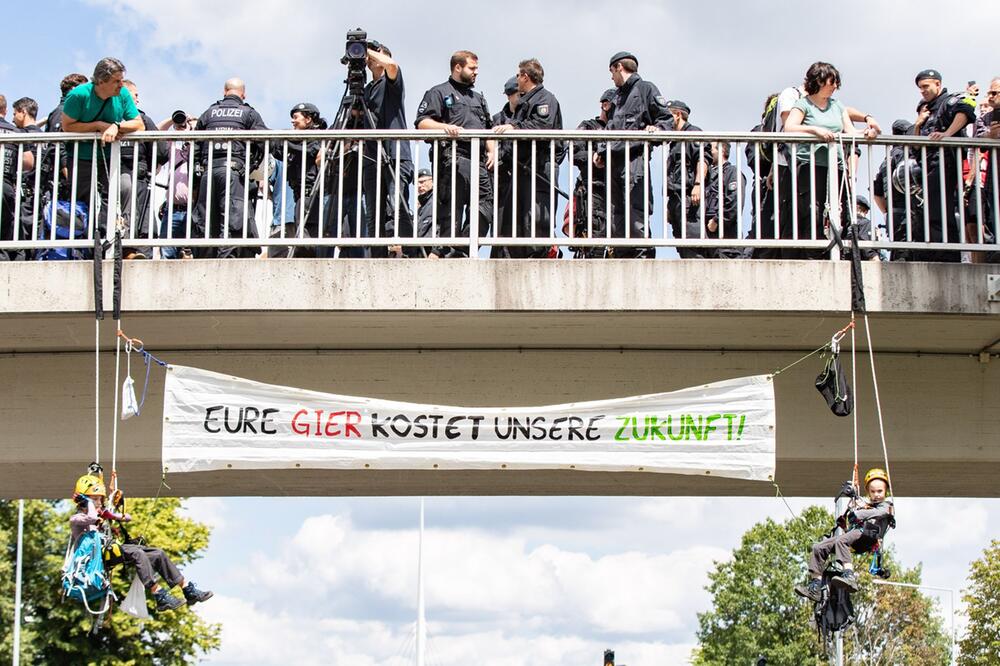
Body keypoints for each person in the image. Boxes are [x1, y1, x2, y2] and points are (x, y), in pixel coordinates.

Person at [70, 473, 212, 612]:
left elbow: (128, 518)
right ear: (84, 500)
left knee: (157, 553)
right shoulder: (77, 519)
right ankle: (159, 594)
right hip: (97, 559)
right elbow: (92, 518)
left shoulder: (99, 513)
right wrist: (89, 503)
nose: (99, 503)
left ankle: (187, 589)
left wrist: (110, 514)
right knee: (137, 553)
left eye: (100, 499)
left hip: (110, 552)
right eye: (95, 499)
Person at [782, 62, 874, 260]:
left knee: (842, 211)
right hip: (810, 165)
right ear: (819, 81)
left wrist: (866, 131)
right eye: (831, 82)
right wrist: (815, 130)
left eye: (836, 83)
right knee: (811, 210)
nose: (834, 87)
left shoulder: (837, 105)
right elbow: (789, 127)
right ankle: (812, 254)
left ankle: (839, 251)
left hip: (836, 166)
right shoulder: (803, 104)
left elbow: (850, 131)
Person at [415, 50, 496, 259]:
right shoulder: (439, 92)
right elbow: (422, 123)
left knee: (486, 205)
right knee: (451, 210)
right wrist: (444, 127)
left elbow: (488, 128)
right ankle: (443, 252)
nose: (476, 72)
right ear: (458, 67)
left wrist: (492, 151)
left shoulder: (478, 98)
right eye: (472, 68)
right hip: (453, 158)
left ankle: (462, 249)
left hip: (478, 160)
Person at [595, 51, 672, 258]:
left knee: (634, 210)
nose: (611, 77)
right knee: (616, 213)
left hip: (634, 160)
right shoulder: (617, 97)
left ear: (619, 67)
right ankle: (621, 256)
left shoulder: (646, 89)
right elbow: (612, 128)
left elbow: (666, 120)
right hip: (614, 162)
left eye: (611, 71)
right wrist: (601, 151)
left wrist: (657, 130)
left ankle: (640, 257)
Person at [61, 57, 145, 236]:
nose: (121, 85)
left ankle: (114, 240)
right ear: (101, 81)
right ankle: (84, 246)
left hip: (109, 157)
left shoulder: (122, 95)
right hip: (81, 158)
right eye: (116, 81)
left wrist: (117, 125)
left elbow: (139, 124)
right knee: (82, 201)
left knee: (121, 190)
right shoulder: (79, 95)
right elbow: (67, 126)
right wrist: (98, 125)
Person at [493, 58, 563, 258]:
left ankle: (538, 256)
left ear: (525, 76)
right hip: (523, 168)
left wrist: (514, 128)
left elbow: (541, 127)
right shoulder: (526, 102)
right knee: (516, 217)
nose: (517, 78)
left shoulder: (545, 99)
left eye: (518, 75)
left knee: (536, 217)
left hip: (539, 168)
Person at [192, 77, 268, 258]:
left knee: (206, 217)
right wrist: (250, 167)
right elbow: (264, 142)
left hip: (207, 172)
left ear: (224, 92)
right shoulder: (249, 113)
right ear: (243, 94)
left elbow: (195, 146)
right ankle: (227, 258)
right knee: (232, 216)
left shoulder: (208, 113)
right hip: (233, 172)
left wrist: (196, 175)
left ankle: (205, 258)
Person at [795, 468, 895, 600]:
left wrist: (858, 513)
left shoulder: (886, 506)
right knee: (818, 547)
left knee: (841, 541)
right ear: (868, 492)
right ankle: (816, 585)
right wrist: (854, 505)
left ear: (886, 491)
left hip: (868, 535)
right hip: (856, 534)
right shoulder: (865, 504)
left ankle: (849, 575)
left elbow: (879, 513)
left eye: (880, 491)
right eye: (873, 492)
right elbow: (855, 516)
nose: (876, 494)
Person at [908, 69, 977, 261]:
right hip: (927, 166)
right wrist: (918, 124)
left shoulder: (949, 101)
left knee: (943, 212)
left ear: (938, 84)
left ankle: (947, 255)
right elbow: (915, 144)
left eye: (926, 86)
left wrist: (947, 134)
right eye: (920, 88)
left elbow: (967, 110)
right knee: (929, 212)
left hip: (945, 164)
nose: (922, 91)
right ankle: (934, 253)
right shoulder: (924, 108)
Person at [363, 42, 414, 257]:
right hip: (371, 155)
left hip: (395, 152)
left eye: (375, 53)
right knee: (373, 212)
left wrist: (366, 49)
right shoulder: (365, 90)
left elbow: (392, 65)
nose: (369, 58)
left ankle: (408, 252)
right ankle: (377, 255)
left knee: (397, 205)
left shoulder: (391, 81)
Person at [270, 102, 327, 258]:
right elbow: (278, 150)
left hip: (310, 195)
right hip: (300, 196)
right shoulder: (295, 142)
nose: (292, 121)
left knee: (306, 237)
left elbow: (308, 149)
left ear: (308, 119)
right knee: (302, 234)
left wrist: (285, 140)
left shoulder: (318, 138)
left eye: (296, 117)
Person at [118, 80, 167, 259]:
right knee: (142, 224)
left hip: (110, 178)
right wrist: (153, 165)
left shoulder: (107, 118)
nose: (137, 99)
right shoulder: (142, 120)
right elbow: (162, 151)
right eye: (135, 95)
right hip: (138, 179)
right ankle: (135, 253)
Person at [567, 89, 616, 258]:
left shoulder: (621, 129)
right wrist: (593, 157)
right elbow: (573, 153)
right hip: (593, 190)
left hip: (617, 192)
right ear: (605, 105)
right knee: (594, 238)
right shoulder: (589, 127)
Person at [663, 100, 707, 256]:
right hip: (676, 199)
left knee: (693, 244)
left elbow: (702, 159)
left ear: (678, 115)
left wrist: (698, 184)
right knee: (682, 246)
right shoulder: (674, 141)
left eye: (668, 116)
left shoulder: (692, 133)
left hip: (689, 197)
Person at [11, 97, 43, 260]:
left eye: (15, 113)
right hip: (42, 192)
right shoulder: (46, 136)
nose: (13, 118)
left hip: (24, 192)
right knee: (36, 233)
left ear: (23, 112)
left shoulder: (20, 136)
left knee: (19, 232)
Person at [702, 141, 745, 258]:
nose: (708, 153)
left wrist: (717, 220)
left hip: (727, 245)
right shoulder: (709, 176)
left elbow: (734, 202)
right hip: (710, 243)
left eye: (711, 149)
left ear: (721, 150)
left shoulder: (732, 172)